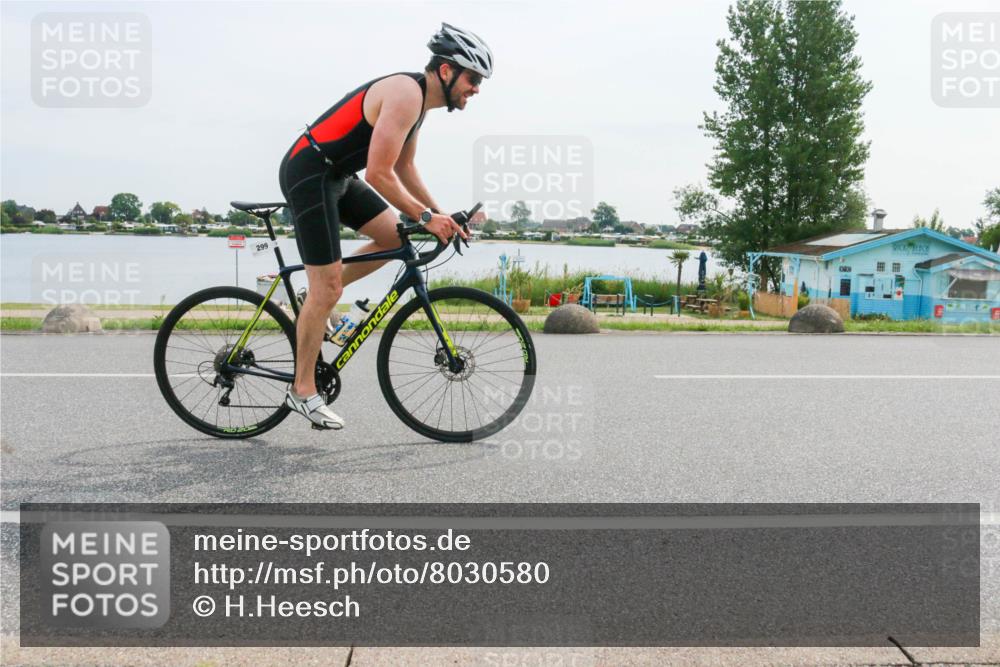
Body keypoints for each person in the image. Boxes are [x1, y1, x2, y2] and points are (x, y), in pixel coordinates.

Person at [278, 23, 493, 429]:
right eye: (473, 78)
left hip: (338, 176)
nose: (476, 89)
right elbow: (379, 173)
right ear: (446, 71)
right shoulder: (405, 94)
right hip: (310, 172)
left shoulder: (419, 105)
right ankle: (301, 391)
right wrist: (426, 218)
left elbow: (404, 167)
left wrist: (440, 215)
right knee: (329, 288)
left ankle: (314, 296)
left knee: (391, 236)